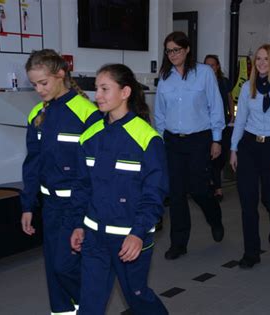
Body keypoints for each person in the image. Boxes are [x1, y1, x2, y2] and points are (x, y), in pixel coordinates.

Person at [70, 64, 168, 315]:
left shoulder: (147, 139)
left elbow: (154, 193)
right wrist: (79, 224)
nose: (97, 96)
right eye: (96, 89)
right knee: (90, 302)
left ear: (125, 92)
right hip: (94, 237)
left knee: (137, 297)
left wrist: (137, 233)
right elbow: (82, 186)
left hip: (129, 238)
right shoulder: (89, 136)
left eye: (105, 89)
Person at [20, 49, 102, 314]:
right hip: (50, 206)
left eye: (43, 83)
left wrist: (83, 212)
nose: (39, 90)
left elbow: (94, 170)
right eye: (34, 85)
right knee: (53, 272)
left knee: (64, 266)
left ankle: (89, 307)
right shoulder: (36, 115)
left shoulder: (87, 113)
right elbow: (32, 165)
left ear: (61, 75)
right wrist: (28, 205)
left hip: (78, 205)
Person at [154, 31, 226, 260]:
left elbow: (216, 106)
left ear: (186, 50)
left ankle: (214, 217)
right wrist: (159, 142)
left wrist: (217, 139)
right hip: (173, 141)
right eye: (169, 50)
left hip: (199, 139)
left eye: (176, 49)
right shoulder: (164, 77)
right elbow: (160, 113)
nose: (173, 54)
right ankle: (179, 243)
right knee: (176, 194)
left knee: (198, 189)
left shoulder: (204, 73)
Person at [229, 44, 270, 269]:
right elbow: (240, 120)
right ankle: (251, 252)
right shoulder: (248, 88)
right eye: (258, 59)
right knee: (248, 202)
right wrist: (233, 148)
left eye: (266, 59)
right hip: (249, 146)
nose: (261, 62)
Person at [204, 54, 235, 201]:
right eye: (207, 65)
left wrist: (232, 113)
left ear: (217, 67)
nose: (210, 67)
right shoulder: (201, 82)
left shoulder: (224, 82)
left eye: (213, 65)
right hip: (206, 126)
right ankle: (217, 187)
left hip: (223, 123)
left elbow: (229, 98)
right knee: (212, 157)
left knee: (222, 156)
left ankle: (213, 180)